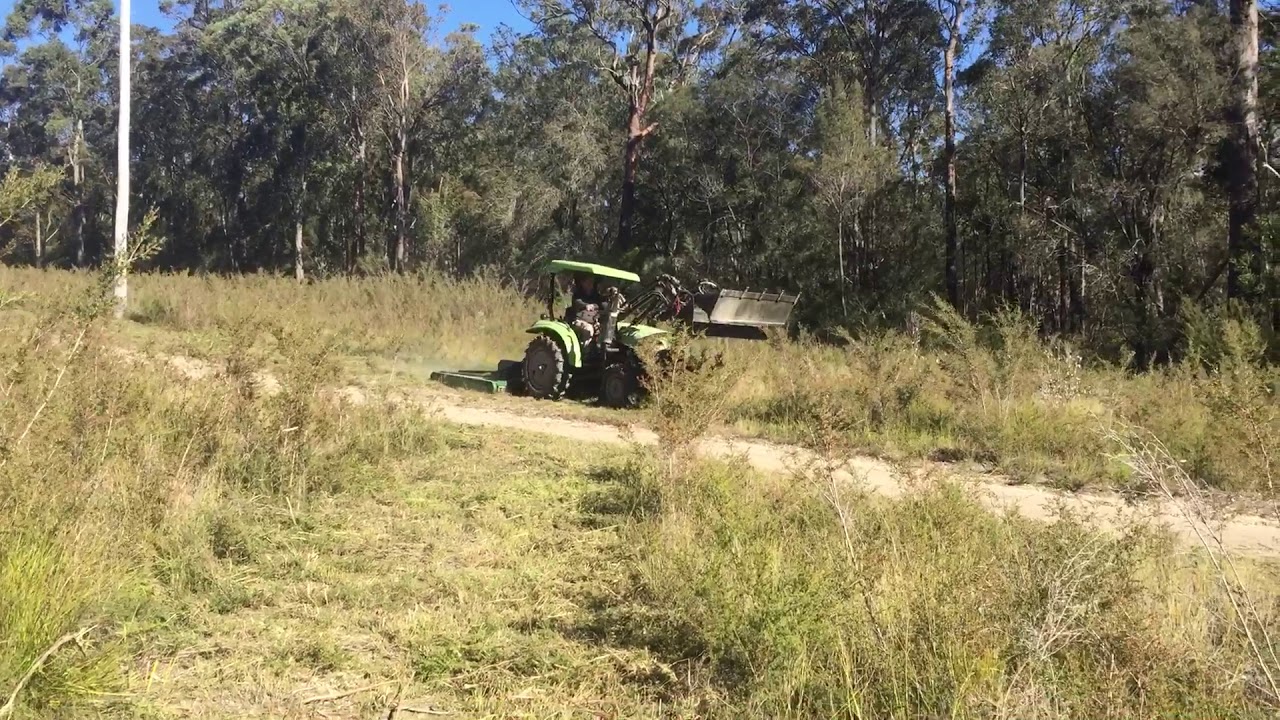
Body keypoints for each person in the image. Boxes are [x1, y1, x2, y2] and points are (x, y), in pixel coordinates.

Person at [566, 272, 602, 341]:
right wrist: (586, 305)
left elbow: (601, 304)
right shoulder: (578, 294)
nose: (590, 284)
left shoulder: (595, 295)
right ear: (582, 283)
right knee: (588, 329)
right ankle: (585, 350)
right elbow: (577, 302)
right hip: (579, 320)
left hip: (594, 321)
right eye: (588, 282)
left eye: (592, 282)